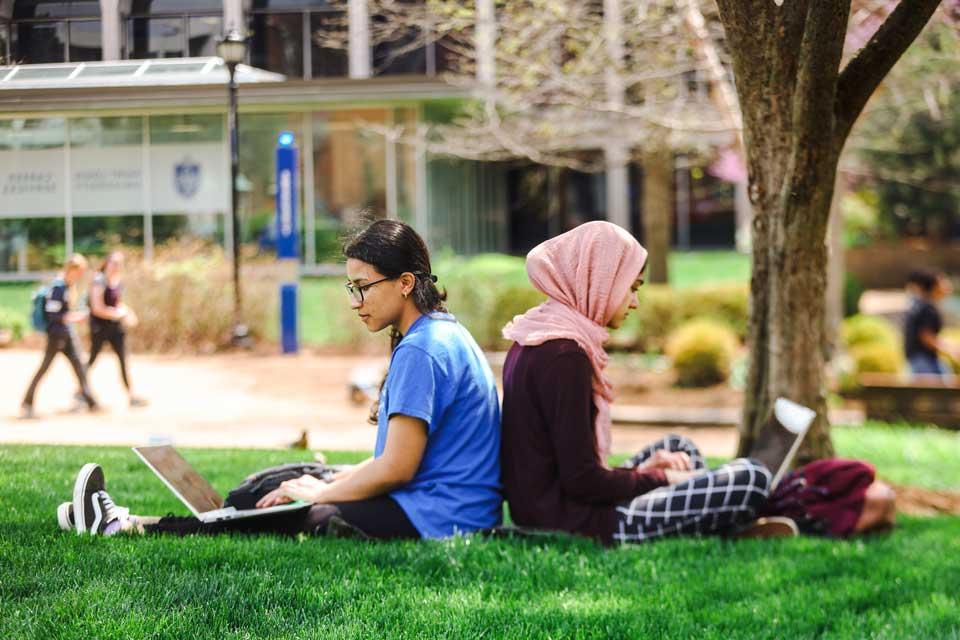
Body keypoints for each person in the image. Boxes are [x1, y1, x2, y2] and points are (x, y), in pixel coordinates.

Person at [61, 220, 503, 541]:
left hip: (443, 519)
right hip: (446, 509)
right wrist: (327, 478)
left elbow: (397, 468)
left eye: (363, 287)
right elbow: (401, 461)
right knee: (287, 484)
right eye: (352, 288)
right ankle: (126, 521)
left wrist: (325, 489)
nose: (355, 302)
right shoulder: (440, 334)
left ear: (405, 283)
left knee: (300, 511)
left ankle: (121, 524)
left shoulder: (423, 349)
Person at [499, 221, 780, 545]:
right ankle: (728, 521)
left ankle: (719, 520)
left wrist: (648, 470)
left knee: (678, 448)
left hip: (555, 506)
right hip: (572, 520)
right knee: (752, 479)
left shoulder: (538, 335)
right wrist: (661, 477)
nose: (634, 302)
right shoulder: (563, 355)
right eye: (630, 287)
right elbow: (582, 481)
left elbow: (575, 468)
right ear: (599, 280)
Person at [21, 254, 99, 419]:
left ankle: (91, 402)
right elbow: (53, 314)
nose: (79, 276)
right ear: (71, 270)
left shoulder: (68, 287)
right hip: (57, 335)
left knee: (80, 367)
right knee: (44, 368)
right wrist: (74, 317)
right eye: (78, 272)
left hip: (67, 334)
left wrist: (71, 317)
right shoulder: (59, 287)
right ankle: (27, 402)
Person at [81, 251, 147, 408]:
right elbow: (97, 308)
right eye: (114, 263)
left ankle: (131, 395)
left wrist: (127, 312)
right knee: (92, 359)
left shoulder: (117, 282)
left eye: (120, 264)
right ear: (107, 263)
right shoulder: (99, 281)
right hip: (99, 327)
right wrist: (118, 314)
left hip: (115, 328)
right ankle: (80, 391)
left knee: (123, 360)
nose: (117, 266)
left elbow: (117, 304)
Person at [903, 269, 957, 381]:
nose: (947, 286)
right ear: (934, 286)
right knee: (936, 393)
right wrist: (950, 349)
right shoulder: (927, 309)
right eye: (943, 282)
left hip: (919, 359)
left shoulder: (921, 305)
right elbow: (926, 336)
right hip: (923, 360)